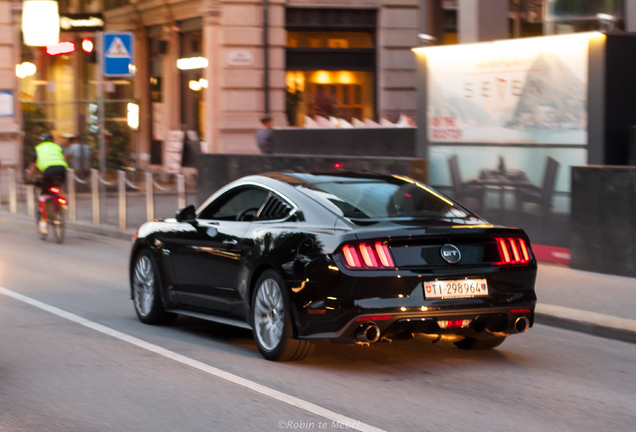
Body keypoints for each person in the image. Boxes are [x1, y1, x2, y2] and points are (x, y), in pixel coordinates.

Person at [27, 132, 69, 232]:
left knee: (44, 194)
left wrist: (28, 177)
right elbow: (64, 157)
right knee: (59, 187)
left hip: (48, 170)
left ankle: (43, 222)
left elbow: (33, 167)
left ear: (42, 140)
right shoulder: (57, 147)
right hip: (61, 168)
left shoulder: (38, 148)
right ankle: (63, 203)